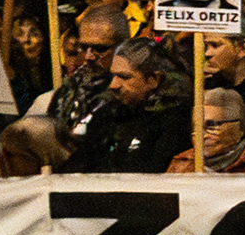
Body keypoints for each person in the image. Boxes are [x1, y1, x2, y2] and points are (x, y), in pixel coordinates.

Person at [62, 44, 194, 174]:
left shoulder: (177, 121)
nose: (114, 85)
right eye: (114, 76)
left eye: (124, 77)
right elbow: (80, 163)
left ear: (153, 79)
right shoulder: (108, 114)